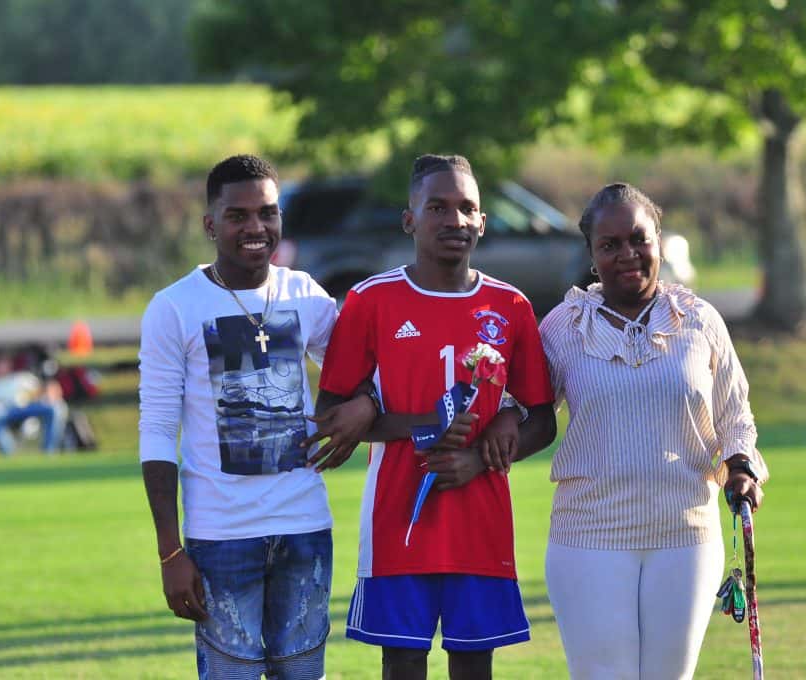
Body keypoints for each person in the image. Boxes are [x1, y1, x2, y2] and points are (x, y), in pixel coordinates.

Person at [311, 154, 557, 680]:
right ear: (410, 219)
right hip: (399, 523)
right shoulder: (370, 301)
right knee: (402, 663)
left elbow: (541, 419)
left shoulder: (510, 306)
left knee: (474, 664)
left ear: (483, 221)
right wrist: (419, 422)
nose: (455, 220)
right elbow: (331, 413)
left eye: (467, 208)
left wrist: (483, 455)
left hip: (480, 523)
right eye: (438, 207)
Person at [138, 154, 376, 680]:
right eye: (238, 216)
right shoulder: (174, 307)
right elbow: (156, 431)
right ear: (210, 224)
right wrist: (169, 551)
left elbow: (361, 370)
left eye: (267, 213)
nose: (256, 227)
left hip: (304, 528)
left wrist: (367, 406)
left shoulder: (304, 293)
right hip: (220, 536)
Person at [538, 183, 768, 680]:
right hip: (588, 535)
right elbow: (529, 413)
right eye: (610, 245)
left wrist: (742, 466)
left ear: (658, 241)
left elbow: (735, 414)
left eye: (639, 239)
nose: (627, 254)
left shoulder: (700, 320)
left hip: (686, 535)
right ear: (592, 255)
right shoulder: (563, 327)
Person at [0, 352, 68, 455]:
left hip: (26, 408)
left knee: (57, 407)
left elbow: (46, 390)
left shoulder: (22, 378)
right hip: (1, 412)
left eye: (3, 364)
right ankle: (9, 452)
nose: (1, 367)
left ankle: (49, 451)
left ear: (9, 365)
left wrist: (49, 394)